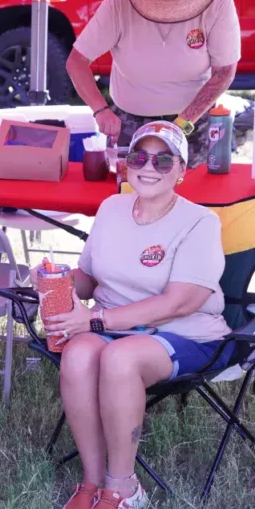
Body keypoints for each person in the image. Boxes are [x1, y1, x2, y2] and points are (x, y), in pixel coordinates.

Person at [30, 121, 235, 508]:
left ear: (181, 170)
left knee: (120, 358)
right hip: (113, 326)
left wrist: (95, 321)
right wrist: (55, 281)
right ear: (126, 163)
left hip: (185, 333)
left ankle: (123, 488)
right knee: (78, 354)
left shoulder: (200, 223)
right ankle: (91, 483)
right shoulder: (111, 207)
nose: (148, 167)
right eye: (139, 156)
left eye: (163, 160)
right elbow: (88, 278)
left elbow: (181, 302)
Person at [66, 0, 241, 168]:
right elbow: (77, 61)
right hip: (130, 124)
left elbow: (224, 71)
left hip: (193, 126)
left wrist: (182, 123)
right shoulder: (119, 3)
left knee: (197, 192)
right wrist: (101, 111)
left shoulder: (218, 1)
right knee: (131, 192)